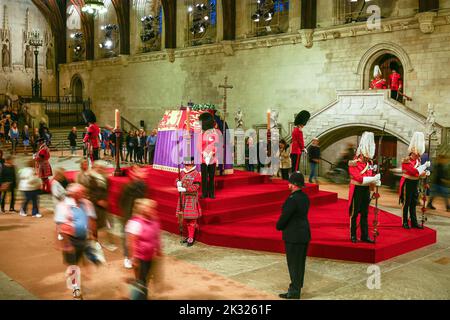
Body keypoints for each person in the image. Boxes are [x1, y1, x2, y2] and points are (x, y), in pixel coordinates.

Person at [54, 183, 101, 300]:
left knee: (80, 261)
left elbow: (92, 219)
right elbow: (61, 226)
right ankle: (76, 288)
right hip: (70, 239)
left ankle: (75, 275)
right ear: (73, 194)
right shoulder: (63, 206)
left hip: (84, 238)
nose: (84, 194)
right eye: (81, 192)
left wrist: (94, 235)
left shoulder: (87, 203)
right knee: (73, 265)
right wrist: (66, 244)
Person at [276, 172, 310, 300]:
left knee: (294, 265)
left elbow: (285, 217)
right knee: (300, 264)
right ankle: (296, 288)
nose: (288, 184)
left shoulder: (292, 200)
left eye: (290, 182)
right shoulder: (305, 197)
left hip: (294, 236)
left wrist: (278, 226)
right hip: (304, 234)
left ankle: (294, 292)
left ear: (295, 185)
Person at [348, 132, 381, 243]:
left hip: (365, 190)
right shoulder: (353, 163)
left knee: (365, 214)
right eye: (366, 157)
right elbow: (359, 178)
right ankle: (353, 235)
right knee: (355, 213)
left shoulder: (369, 163)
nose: (367, 159)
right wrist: (373, 178)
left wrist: (376, 181)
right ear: (361, 153)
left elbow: (370, 176)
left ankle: (364, 235)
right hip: (356, 190)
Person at [125, 198, 162, 300]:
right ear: (143, 209)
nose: (154, 211)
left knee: (146, 279)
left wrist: (158, 249)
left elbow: (156, 235)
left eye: (154, 208)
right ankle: (137, 297)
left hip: (150, 256)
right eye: (151, 208)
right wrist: (134, 259)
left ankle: (142, 296)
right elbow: (131, 243)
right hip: (140, 258)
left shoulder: (154, 220)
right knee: (141, 281)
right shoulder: (135, 223)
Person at [399, 132, 431, 229]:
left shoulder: (418, 160)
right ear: (412, 152)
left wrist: (425, 173)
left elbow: (419, 174)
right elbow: (414, 171)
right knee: (406, 203)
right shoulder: (406, 161)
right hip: (407, 183)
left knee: (413, 203)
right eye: (417, 154)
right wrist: (424, 167)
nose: (418, 156)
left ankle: (413, 222)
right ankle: (404, 221)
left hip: (415, 183)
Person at [119, 166, 148, 269]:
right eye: (138, 172)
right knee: (129, 238)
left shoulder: (143, 185)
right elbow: (122, 202)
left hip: (139, 216)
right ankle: (127, 257)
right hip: (129, 216)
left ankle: (136, 256)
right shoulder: (129, 186)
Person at [176, 157, 202, 247]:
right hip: (183, 198)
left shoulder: (196, 174)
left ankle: (191, 237)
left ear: (192, 164)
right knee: (186, 219)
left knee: (192, 219)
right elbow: (177, 180)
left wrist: (184, 188)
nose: (186, 166)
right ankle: (188, 235)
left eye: (188, 164)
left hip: (191, 199)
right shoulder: (182, 172)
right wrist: (177, 183)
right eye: (185, 164)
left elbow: (196, 187)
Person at [200, 112, 218, 199]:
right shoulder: (201, 134)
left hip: (212, 158)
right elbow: (198, 145)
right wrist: (203, 152)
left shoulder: (215, 133)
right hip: (203, 158)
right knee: (204, 177)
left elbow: (216, 144)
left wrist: (212, 152)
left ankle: (211, 193)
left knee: (211, 177)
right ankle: (204, 193)